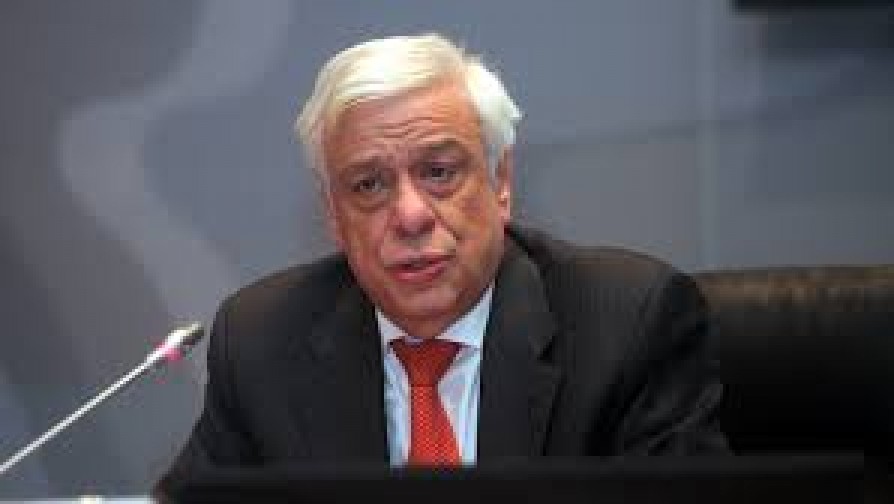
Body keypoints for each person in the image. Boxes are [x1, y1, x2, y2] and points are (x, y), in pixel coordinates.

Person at [157, 32, 728, 494]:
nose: (410, 216)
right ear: (333, 214)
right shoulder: (261, 343)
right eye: (369, 185)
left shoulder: (627, 325)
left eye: (438, 172)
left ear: (500, 182)